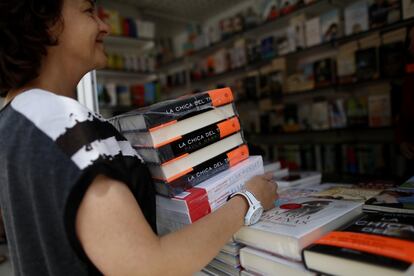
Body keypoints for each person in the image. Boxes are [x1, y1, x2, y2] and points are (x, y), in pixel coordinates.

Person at [0, 0, 278, 275]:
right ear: (45, 24)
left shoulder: (15, 121)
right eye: (88, 11)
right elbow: (148, 266)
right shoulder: (58, 118)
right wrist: (248, 200)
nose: (105, 27)